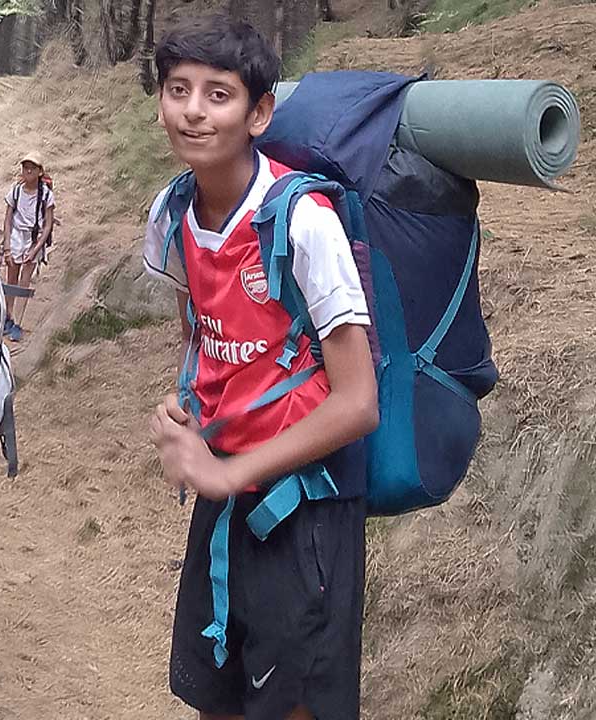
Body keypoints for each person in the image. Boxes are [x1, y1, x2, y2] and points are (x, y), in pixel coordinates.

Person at [144, 14, 379, 720]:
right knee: (220, 692)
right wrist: (184, 405)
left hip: (305, 505)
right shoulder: (174, 212)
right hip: (229, 491)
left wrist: (229, 472)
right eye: (177, 89)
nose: (192, 109)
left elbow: (358, 401)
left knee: (293, 706)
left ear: (259, 112)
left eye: (218, 94)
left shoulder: (302, 221)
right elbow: (206, 336)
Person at [0, 152, 55, 342]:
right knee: (11, 279)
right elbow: (7, 219)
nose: (28, 170)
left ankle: (18, 322)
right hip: (16, 236)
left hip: (33, 238)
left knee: (24, 283)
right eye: (25, 166)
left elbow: (48, 225)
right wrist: (7, 246)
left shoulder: (46, 195)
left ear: (40, 171)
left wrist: (36, 248)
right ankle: (8, 317)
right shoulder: (15, 191)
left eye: (32, 167)